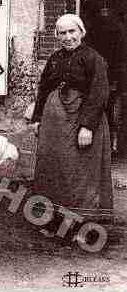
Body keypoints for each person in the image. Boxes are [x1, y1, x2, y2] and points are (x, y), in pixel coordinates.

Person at [31, 14, 112, 223]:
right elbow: (44, 88)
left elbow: (99, 93)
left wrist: (87, 127)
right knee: (55, 166)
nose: (68, 37)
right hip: (54, 125)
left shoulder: (94, 58)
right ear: (57, 35)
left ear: (81, 32)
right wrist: (37, 118)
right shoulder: (55, 58)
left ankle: (82, 222)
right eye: (62, 33)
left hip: (82, 121)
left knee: (80, 171)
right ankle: (55, 218)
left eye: (72, 31)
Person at [87, 6, 127, 156]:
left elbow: (120, 56)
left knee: (112, 113)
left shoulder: (118, 31)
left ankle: (111, 146)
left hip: (113, 76)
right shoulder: (94, 31)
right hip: (102, 76)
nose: (104, 13)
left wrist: (115, 80)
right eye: (102, 10)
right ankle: (106, 146)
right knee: (105, 112)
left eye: (107, 10)